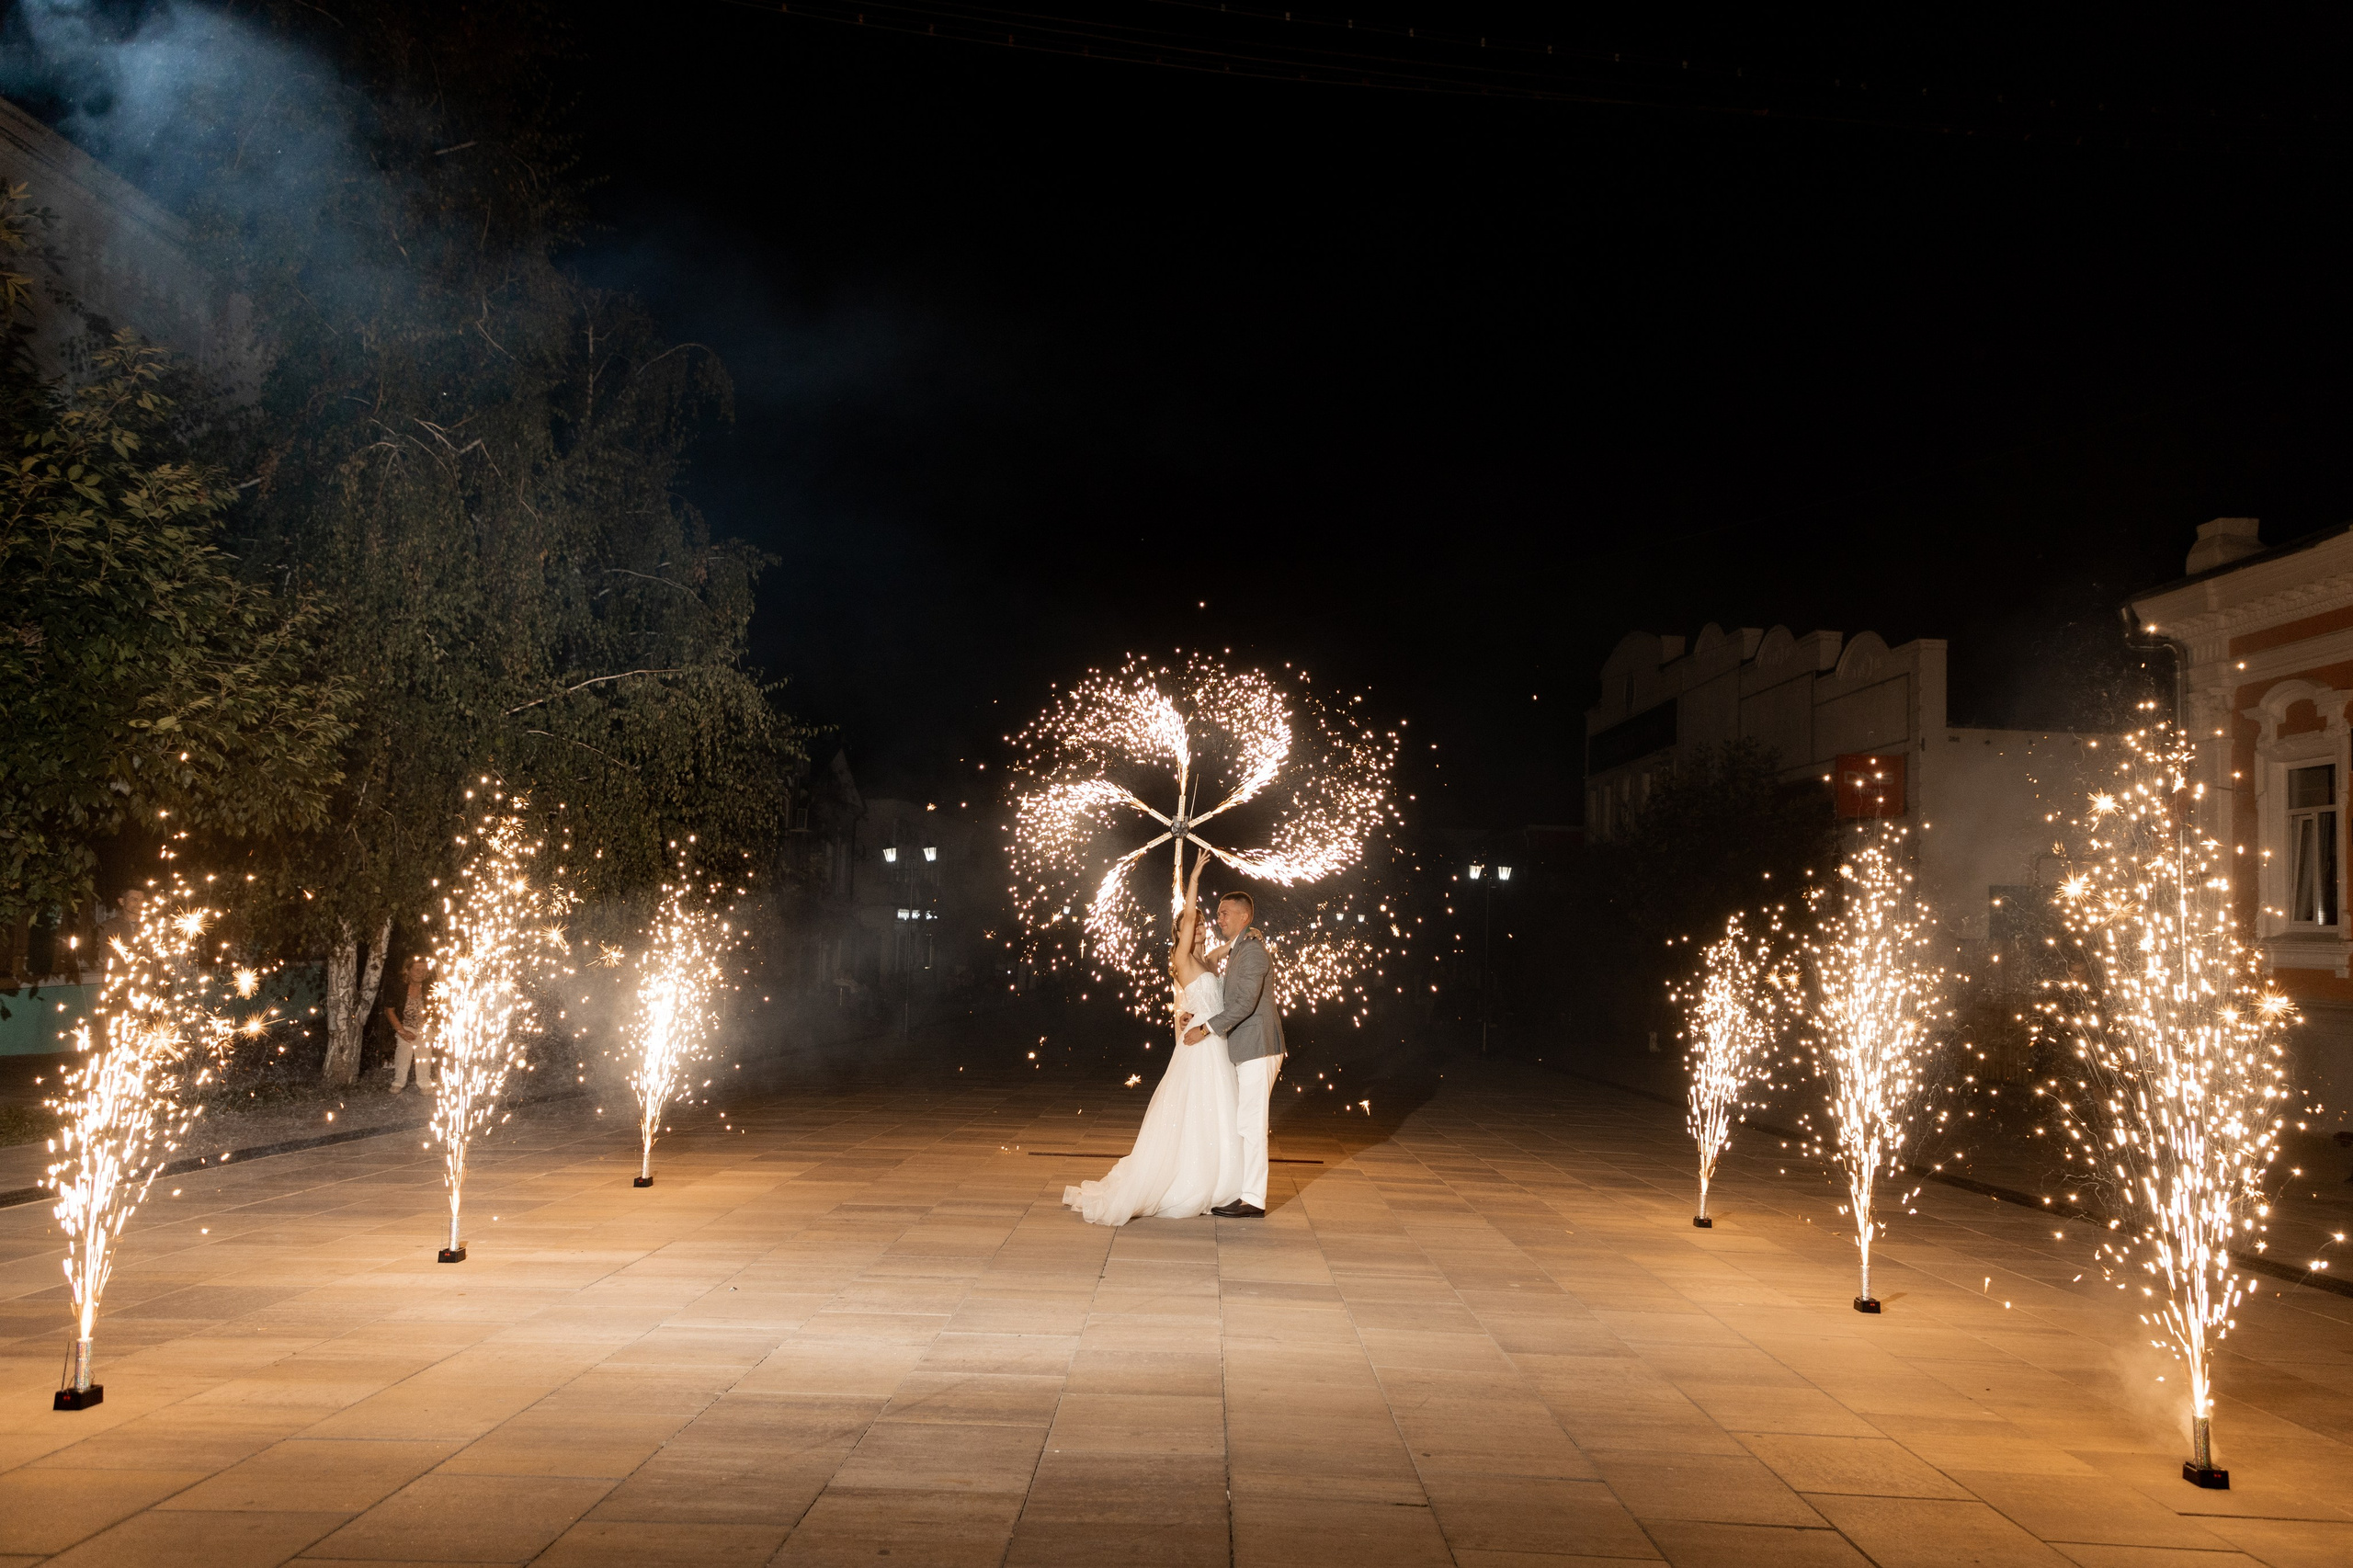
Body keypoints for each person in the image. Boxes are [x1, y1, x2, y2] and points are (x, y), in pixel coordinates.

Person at [1063, 855, 1244, 1225]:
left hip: (1215, 1044)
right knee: (1192, 1110)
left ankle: (1224, 1183)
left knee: (1219, 1113)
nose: (1200, 927)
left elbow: (1237, 943)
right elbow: (1190, 915)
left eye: (1203, 924)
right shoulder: (1182, 958)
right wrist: (1193, 878)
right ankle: (1186, 1182)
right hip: (1197, 1048)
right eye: (1192, 925)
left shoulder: (1208, 960)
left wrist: (1249, 932)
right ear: (1180, 932)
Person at [1187, 888, 1284, 1218]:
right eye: (1219, 912)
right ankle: (1243, 1191)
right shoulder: (1242, 947)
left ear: (1244, 916)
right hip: (1247, 1047)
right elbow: (1230, 998)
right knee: (1245, 1122)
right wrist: (1197, 1016)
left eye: (1225, 912)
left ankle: (1254, 1199)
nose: (1219, 917)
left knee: (1252, 1124)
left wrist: (1205, 1029)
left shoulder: (1253, 951)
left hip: (1259, 1047)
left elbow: (1245, 1004)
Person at [381, 953, 434, 1091]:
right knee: (404, 1045)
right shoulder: (398, 986)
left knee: (425, 1046)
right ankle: (399, 1081)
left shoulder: (430, 987)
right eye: (417, 970)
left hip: (424, 1025)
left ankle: (424, 1083)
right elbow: (389, 1011)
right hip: (403, 1023)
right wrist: (402, 1031)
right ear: (408, 971)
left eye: (424, 970)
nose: (421, 973)